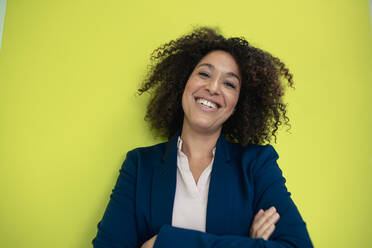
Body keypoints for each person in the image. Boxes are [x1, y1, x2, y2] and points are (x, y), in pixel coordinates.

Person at [92, 27, 313, 248]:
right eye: (204, 74)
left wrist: (164, 242)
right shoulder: (140, 165)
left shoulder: (256, 164)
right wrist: (248, 244)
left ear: (238, 104)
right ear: (183, 84)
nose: (213, 87)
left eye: (229, 83)